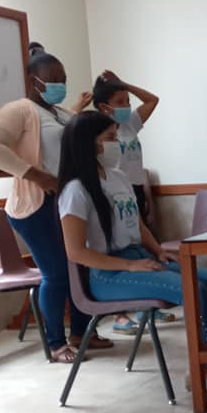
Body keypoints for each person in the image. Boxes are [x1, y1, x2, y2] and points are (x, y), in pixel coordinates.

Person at [57, 111, 207, 392]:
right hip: (108, 274)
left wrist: (158, 251)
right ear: (88, 143)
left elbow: (137, 224)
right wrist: (129, 266)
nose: (117, 144)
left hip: (140, 257)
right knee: (193, 290)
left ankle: (204, 364)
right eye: (110, 137)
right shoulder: (75, 191)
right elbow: (75, 252)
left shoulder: (118, 177)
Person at [0, 53, 107, 362]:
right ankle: (56, 343)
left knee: (80, 266)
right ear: (33, 81)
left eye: (63, 79)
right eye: (53, 80)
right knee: (58, 273)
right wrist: (36, 176)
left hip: (67, 201)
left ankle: (81, 333)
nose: (59, 84)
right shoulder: (19, 110)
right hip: (36, 206)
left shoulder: (60, 113)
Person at [74, 70, 169, 332]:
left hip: (131, 188)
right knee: (114, 246)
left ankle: (145, 305)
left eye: (128, 101)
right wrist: (78, 106)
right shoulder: (96, 132)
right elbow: (71, 132)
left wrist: (124, 84)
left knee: (140, 242)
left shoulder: (127, 126)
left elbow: (152, 100)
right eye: (120, 102)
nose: (127, 106)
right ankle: (119, 314)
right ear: (104, 107)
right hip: (108, 191)